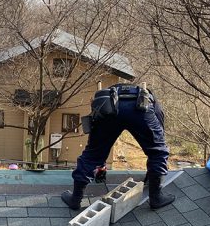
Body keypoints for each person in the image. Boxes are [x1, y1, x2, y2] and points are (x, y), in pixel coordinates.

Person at [61, 83, 175, 211]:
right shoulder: (150, 98)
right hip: (140, 107)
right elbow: (158, 139)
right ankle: (156, 198)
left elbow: (96, 144)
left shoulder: (106, 95)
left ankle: (75, 199)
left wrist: (100, 165)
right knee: (158, 152)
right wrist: (154, 170)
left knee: (93, 155)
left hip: (107, 106)